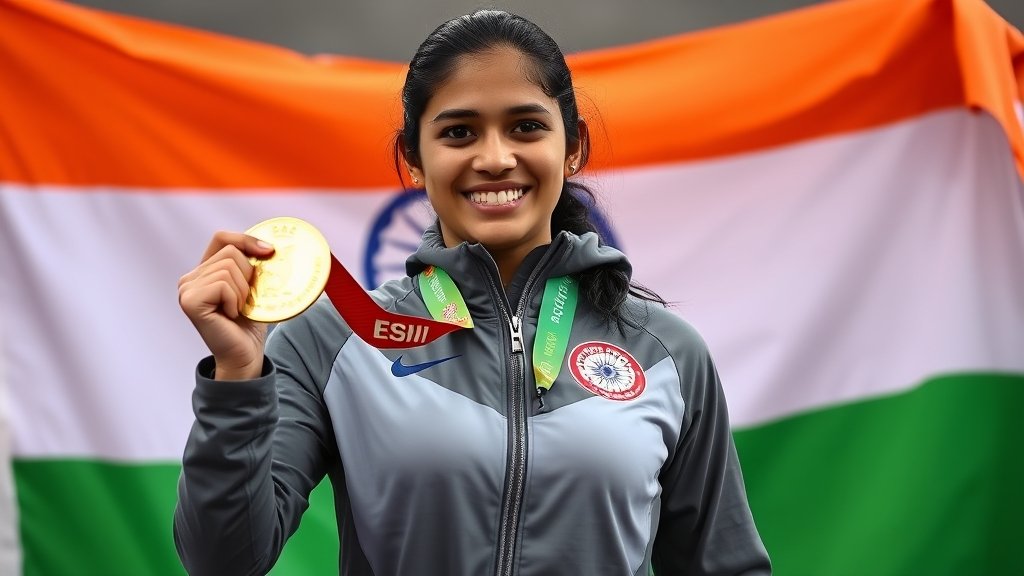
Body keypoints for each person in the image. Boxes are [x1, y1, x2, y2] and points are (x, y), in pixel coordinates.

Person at [174, 9, 771, 576]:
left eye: (526, 127)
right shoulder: (331, 338)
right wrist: (237, 375)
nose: (495, 157)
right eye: (459, 132)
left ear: (573, 147)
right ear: (412, 159)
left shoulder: (665, 351)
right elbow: (225, 559)